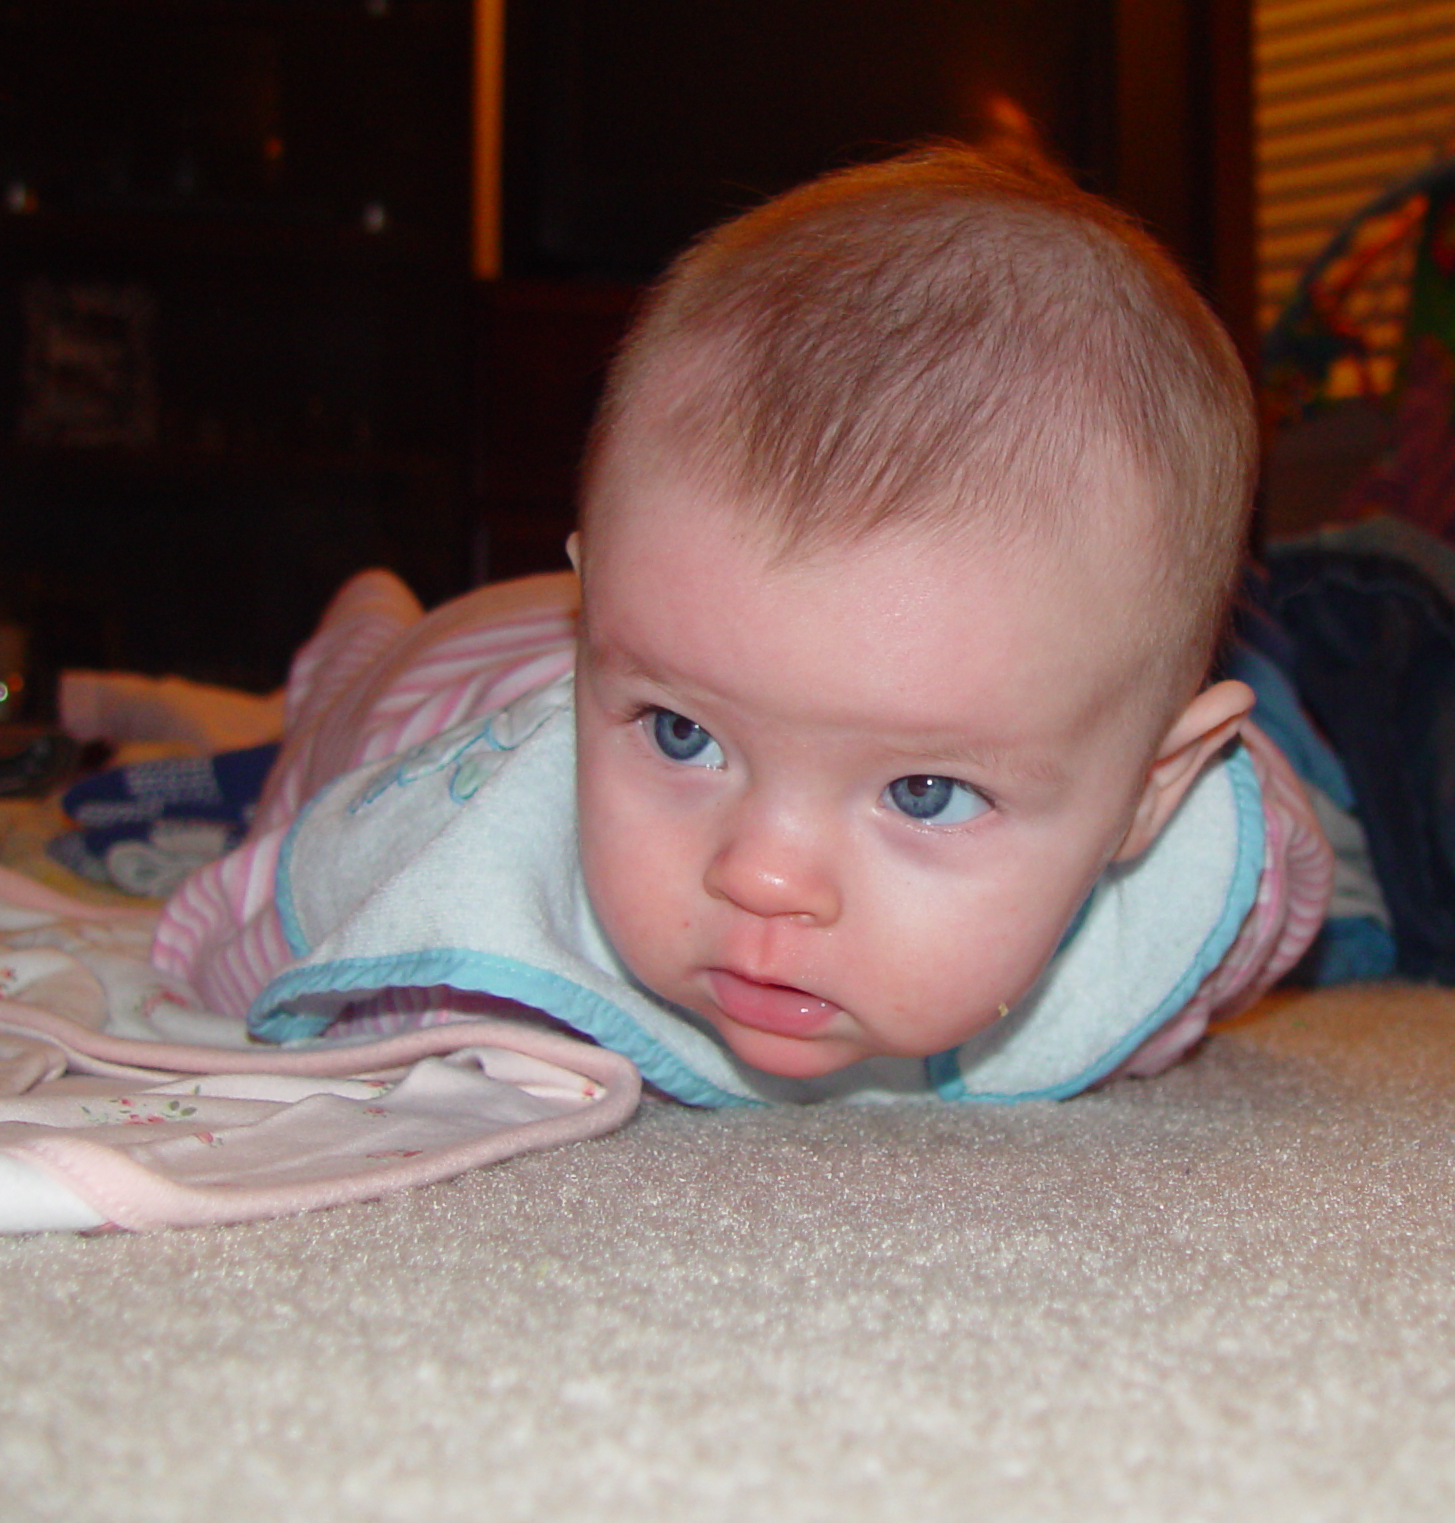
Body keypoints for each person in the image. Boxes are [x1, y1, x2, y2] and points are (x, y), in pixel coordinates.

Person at [154, 147, 1332, 1103]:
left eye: (922, 790)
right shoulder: (463, 885)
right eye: (677, 734)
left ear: (1149, 792)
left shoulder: (1206, 867)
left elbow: (1274, 886)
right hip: (450, 669)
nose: (762, 876)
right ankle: (351, 630)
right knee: (346, 681)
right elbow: (221, 939)